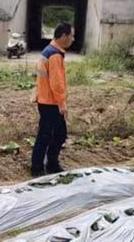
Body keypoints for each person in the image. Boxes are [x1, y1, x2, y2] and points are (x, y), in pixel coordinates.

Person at [30, 22, 75, 177]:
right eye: (71, 35)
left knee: (52, 134)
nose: (73, 39)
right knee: (53, 134)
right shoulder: (55, 55)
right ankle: (41, 167)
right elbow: (57, 83)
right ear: (63, 36)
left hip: (45, 100)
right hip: (51, 102)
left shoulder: (48, 51)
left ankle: (48, 164)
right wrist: (62, 103)